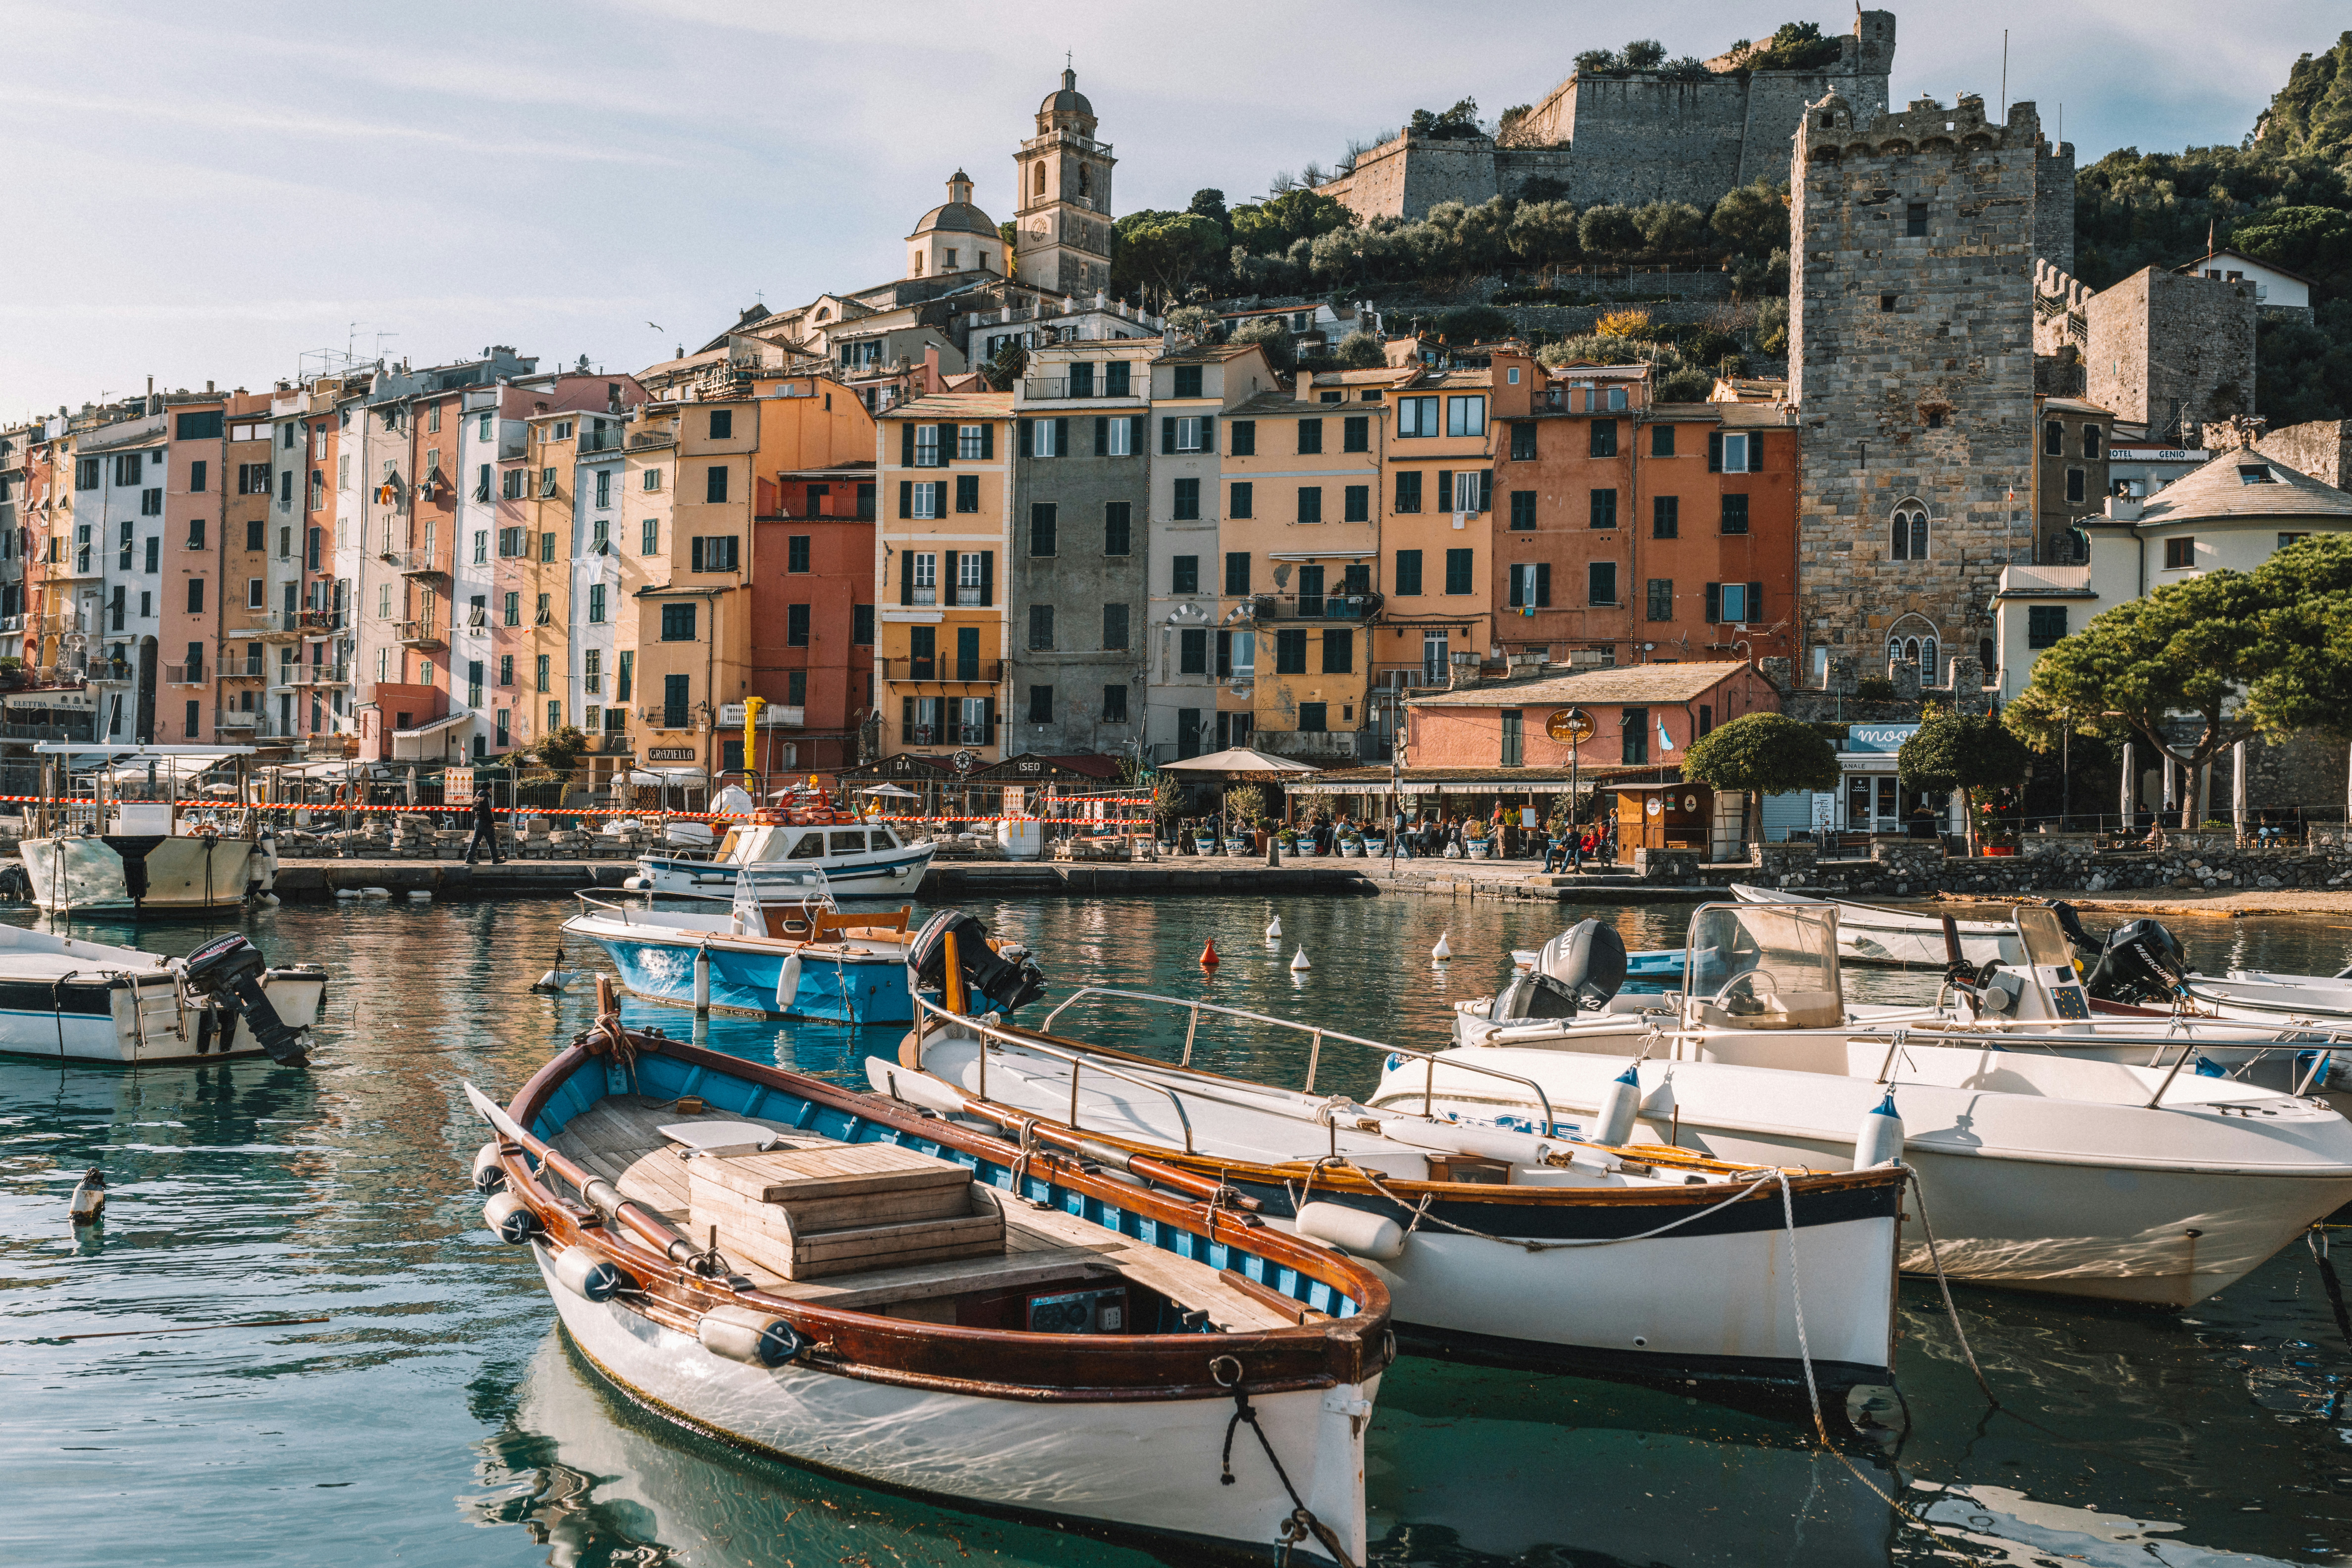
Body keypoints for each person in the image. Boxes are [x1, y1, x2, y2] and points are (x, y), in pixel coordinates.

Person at [463, 780, 505, 865]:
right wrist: (492, 822)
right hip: (485, 822)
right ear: (488, 789)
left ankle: (469, 858)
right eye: (491, 789)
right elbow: (488, 811)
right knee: (491, 841)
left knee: (476, 841)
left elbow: (474, 810)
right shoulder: (486, 798)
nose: (491, 791)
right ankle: (495, 859)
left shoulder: (476, 798)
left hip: (477, 821)